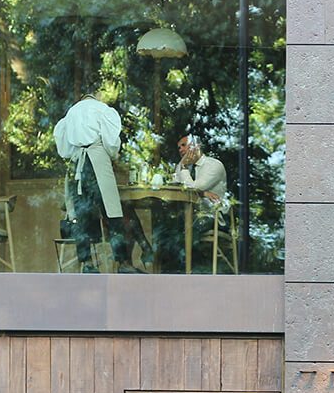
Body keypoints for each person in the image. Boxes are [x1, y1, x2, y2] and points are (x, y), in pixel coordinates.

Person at [53, 92, 139, 273]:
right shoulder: (101, 109)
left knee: (81, 216)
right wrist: (113, 155)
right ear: (94, 98)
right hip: (97, 159)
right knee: (112, 213)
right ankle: (122, 262)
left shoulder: (71, 113)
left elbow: (64, 149)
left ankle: (87, 263)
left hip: (77, 164)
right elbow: (111, 142)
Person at [154, 135, 229, 272]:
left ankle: (184, 271)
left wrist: (183, 167)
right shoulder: (183, 166)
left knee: (180, 231)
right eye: (179, 147)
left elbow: (193, 189)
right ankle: (163, 270)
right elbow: (177, 186)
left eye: (184, 145)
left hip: (211, 216)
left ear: (196, 146)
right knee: (160, 228)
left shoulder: (214, 165)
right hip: (187, 214)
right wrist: (203, 193)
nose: (181, 149)